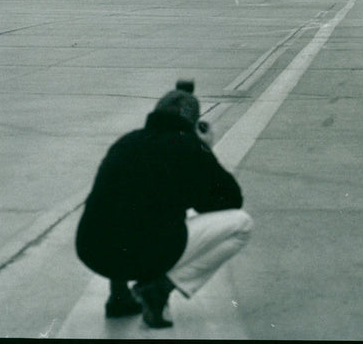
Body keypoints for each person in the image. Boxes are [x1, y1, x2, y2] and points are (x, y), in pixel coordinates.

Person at [76, 87, 253, 328]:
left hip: (92, 251)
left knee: (123, 214)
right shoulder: (188, 148)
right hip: (143, 255)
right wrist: (205, 150)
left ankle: (119, 298)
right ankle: (158, 289)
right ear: (193, 123)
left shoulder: (127, 142)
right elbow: (231, 200)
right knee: (241, 224)